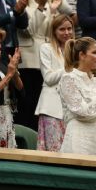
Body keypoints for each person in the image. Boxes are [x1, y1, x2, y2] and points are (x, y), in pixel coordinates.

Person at [15, 0, 62, 131]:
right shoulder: (20, 3)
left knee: (40, 102)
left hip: (46, 57)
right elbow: (29, 30)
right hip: (29, 60)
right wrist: (41, 7)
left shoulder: (44, 3)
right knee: (28, 102)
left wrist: (53, 10)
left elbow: (50, 31)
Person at [35, 15, 74, 152]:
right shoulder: (46, 48)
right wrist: (69, 67)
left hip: (72, 108)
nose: (67, 32)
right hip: (52, 108)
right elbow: (49, 78)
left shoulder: (76, 49)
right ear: (54, 31)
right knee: (54, 151)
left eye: (69, 28)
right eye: (62, 29)